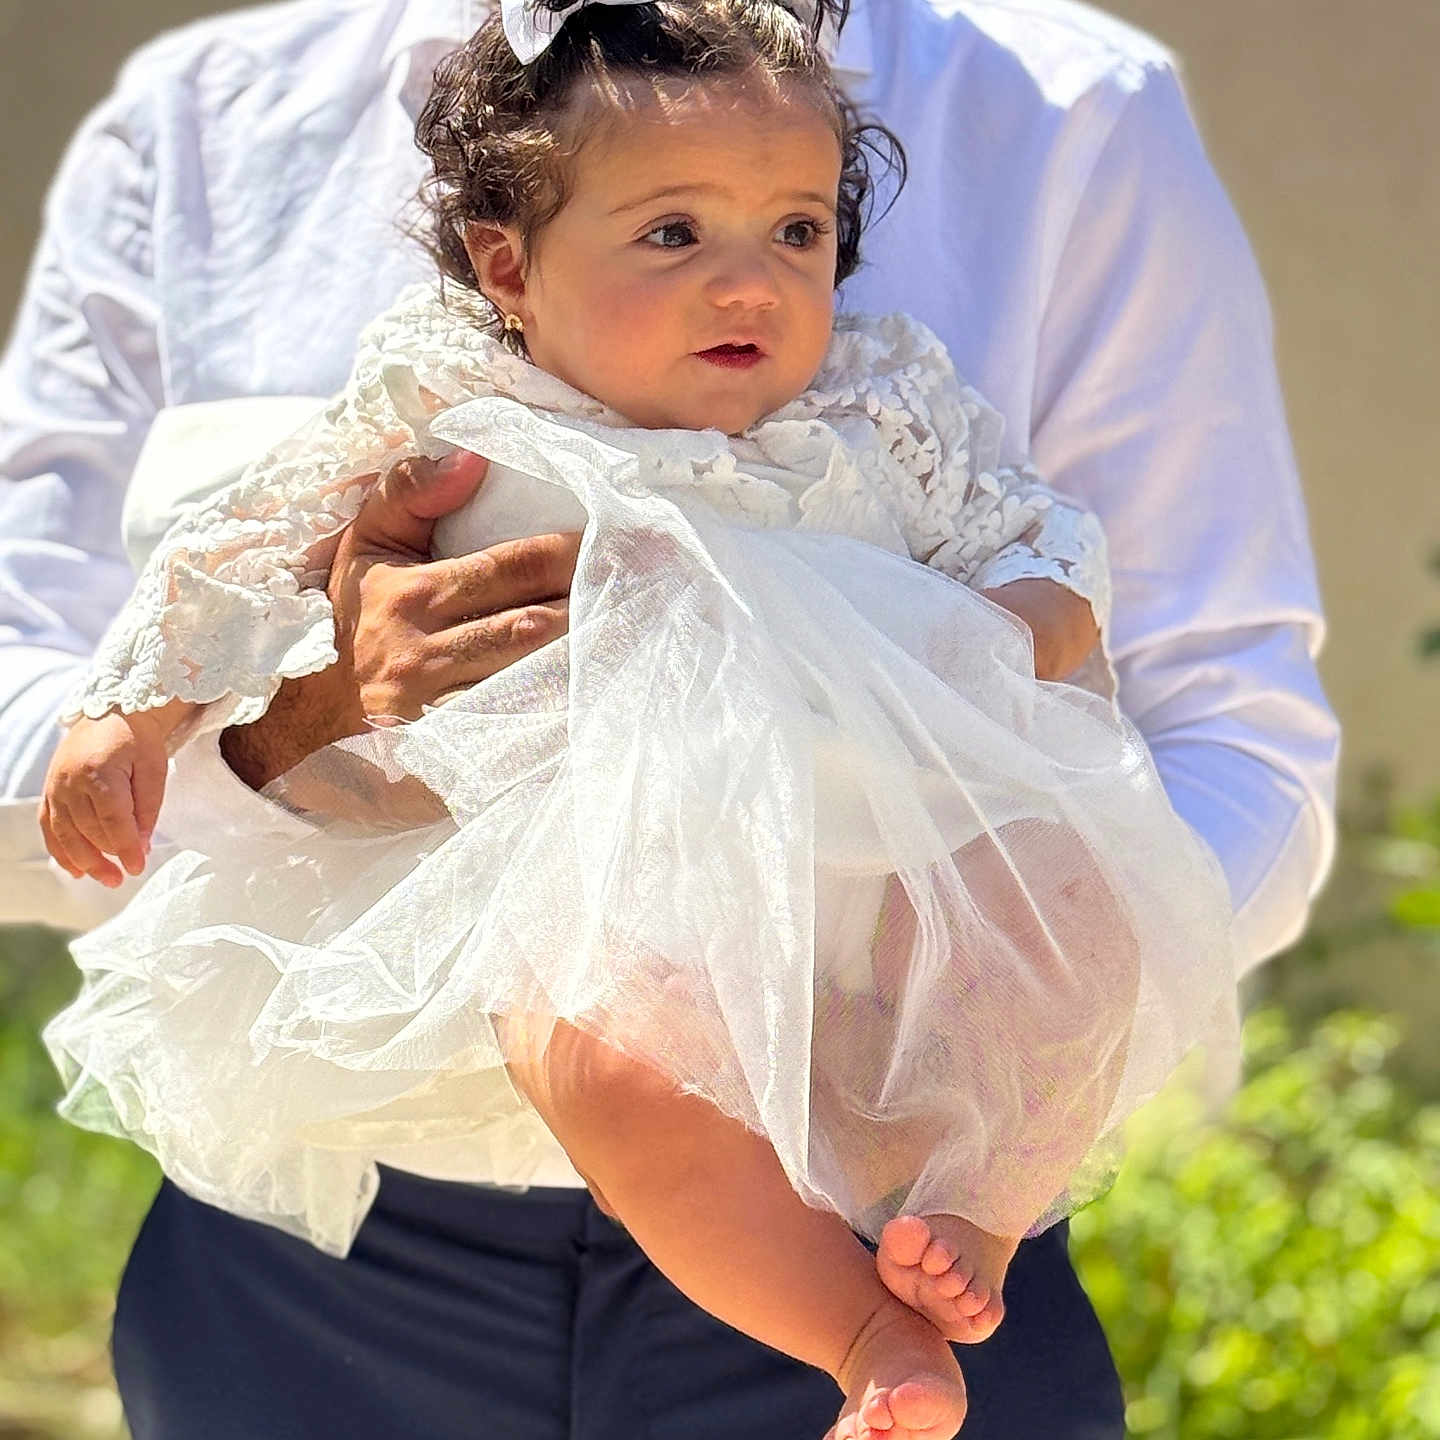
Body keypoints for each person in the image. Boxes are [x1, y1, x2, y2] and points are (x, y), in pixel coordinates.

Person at [0, 0, 1338, 1436]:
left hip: (882, 1089)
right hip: (358, 1249)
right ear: (504, 266)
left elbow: (1144, 635)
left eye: (800, 236)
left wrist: (1000, 652)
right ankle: (864, 1345)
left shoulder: (890, 378)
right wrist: (179, 721)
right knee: (604, 1040)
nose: (750, 287)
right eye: (671, 237)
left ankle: (966, 1237)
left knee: (1074, 904)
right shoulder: (431, 369)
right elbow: (240, 542)